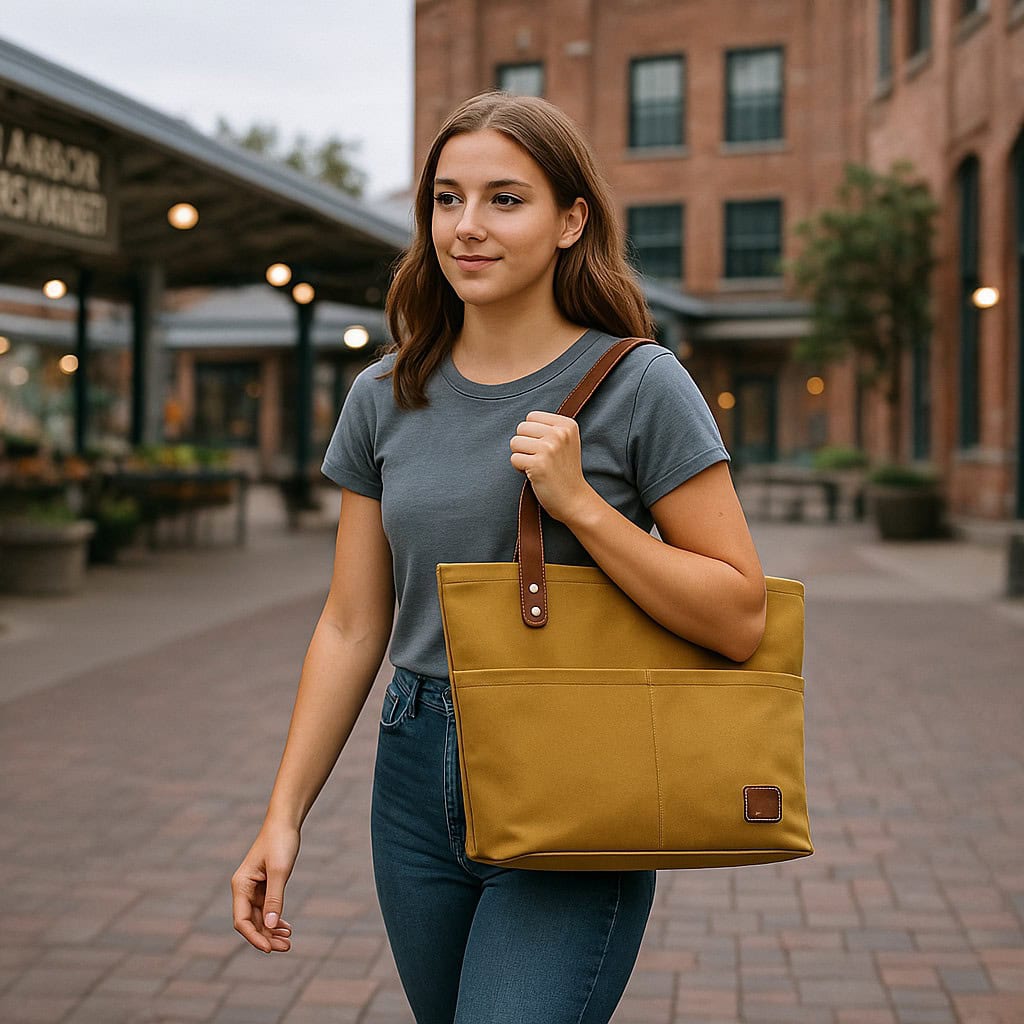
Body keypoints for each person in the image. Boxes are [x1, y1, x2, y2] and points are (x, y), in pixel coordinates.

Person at [231, 90, 768, 1023]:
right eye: (447, 199)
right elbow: (354, 623)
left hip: (573, 766)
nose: (467, 228)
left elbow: (740, 612)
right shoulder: (384, 394)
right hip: (413, 766)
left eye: (504, 200)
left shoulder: (640, 384)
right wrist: (284, 815)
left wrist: (583, 510)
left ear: (571, 220)